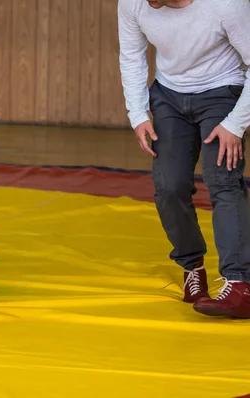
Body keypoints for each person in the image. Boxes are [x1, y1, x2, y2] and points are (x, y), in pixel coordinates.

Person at [118, 0, 250, 318]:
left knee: (223, 181)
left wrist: (235, 123)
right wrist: (137, 114)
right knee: (169, 185)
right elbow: (132, 56)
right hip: (169, 96)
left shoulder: (227, 4)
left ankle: (240, 284)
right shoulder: (133, 3)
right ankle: (193, 267)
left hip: (222, 92)